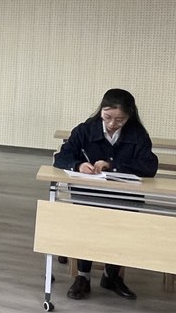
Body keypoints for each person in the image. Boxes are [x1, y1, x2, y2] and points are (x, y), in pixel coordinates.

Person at [54, 88, 159, 301]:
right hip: (89, 193)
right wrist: (78, 165)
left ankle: (111, 276)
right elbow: (61, 157)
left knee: (120, 232)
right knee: (88, 229)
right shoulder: (85, 130)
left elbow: (149, 166)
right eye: (107, 117)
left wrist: (113, 166)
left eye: (120, 120)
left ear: (129, 116)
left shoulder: (138, 134)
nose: (112, 124)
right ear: (101, 110)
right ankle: (83, 276)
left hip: (124, 195)